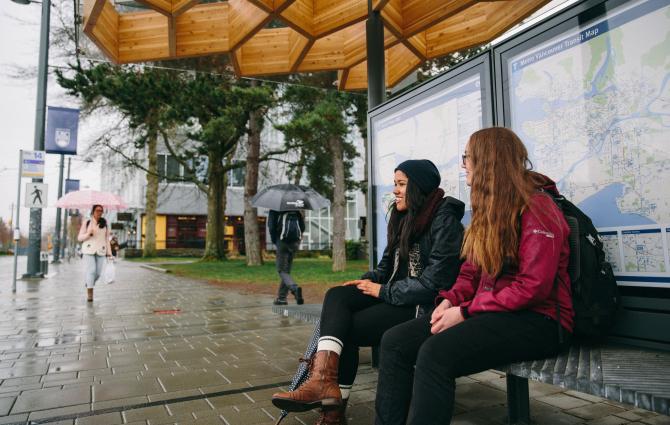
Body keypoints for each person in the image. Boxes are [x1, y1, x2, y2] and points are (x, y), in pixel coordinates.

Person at [374, 128, 574, 425]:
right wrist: (448, 300)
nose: (463, 163)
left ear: (488, 160)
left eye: (467, 156)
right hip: (493, 312)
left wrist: (466, 311)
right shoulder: (488, 208)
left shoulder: (538, 207)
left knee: (435, 354)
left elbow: (533, 287)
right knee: (395, 341)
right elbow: (470, 271)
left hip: (540, 319)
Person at [272, 159, 465, 425]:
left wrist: (381, 290)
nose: (395, 190)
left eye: (401, 184)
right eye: (394, 184)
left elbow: (433, 285)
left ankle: (333, 410)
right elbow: (386, 267)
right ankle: (321, 381)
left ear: (419, 187)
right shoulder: (401, 216)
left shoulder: (445, 221)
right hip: (395, 296)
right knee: (338, 295)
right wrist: (366, 281)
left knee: (345, 327)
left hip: (423, 306)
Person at [268, 209, 306, 305]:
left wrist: (275, 240)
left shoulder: (275, 209)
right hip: (294, 243)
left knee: (282, 270)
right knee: (286, 272)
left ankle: (295, 289)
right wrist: (297, 241)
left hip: (282, 242)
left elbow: (271, 226)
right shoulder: (296, 209)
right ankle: (282, 299)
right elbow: (302, 227)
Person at [78, 204, 112, 302]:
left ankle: (89, 283)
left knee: (98, 273)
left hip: (101, 250)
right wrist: (88, 234)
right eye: (97, 210)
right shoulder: (87, 222)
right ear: (93, 211)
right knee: (91, 271)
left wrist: (109, 253)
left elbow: (107, 239)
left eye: (101, 210)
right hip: (88, 250)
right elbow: (79, 238)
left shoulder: (105, 223)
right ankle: (90, 294)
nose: (99, 212)